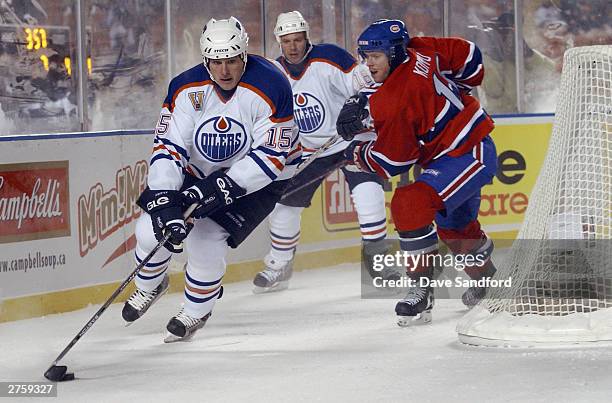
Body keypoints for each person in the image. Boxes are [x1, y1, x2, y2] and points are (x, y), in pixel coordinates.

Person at [121, 17, 298, 342]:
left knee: (205, 238)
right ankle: (150, 285)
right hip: (199, 173)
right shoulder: (185, 87)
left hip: (258, 180)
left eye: (231, 60)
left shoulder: (273, 84)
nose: (224, 70)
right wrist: (164, 197)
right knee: (150, 230)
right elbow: (169, 148)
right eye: (216, 62)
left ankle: (196, 310)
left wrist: (221, 188)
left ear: (244, 55)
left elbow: (271, 157)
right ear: (206, 60)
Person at [336, 19, 498, 326]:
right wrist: (367, 97)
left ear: (395, 53)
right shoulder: (423, 48)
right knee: (455, 226)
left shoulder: (395, 100)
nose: (369, 64)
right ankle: (487, 280)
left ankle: (421, 290)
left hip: (466, 151)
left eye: (376, 57)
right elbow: (470, 58)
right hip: (457, 152)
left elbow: (393, 162)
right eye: (365, 56)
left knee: (409, 203)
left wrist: (355, 153)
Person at [251, 11, 394, 294]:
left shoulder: (330, 56)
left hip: (350, 140)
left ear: (307, 37)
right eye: (287, 40)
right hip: (308, 150)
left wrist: (363, 110)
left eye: (298, 39)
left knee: (369, 196)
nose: (293, 46)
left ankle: (378, 263)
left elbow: (367, 84)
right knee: (283, 208)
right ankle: (280, 264)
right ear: (279, 41)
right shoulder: (273, 73)